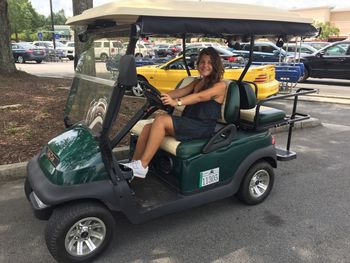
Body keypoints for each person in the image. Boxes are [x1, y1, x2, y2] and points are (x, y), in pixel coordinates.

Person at [123, 47, 227, 178]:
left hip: (202, 126)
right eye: (202, 62)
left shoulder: (220, 86)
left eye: (210, 62)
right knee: (148, 128)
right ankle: (134, 166)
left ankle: (143, 165)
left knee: (161, 119)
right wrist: (159, 95)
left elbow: (200, 97)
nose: (205, 65)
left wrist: (176, 102)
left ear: (216, 65)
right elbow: (179, 92)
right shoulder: (197, 82)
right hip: (190, 122)